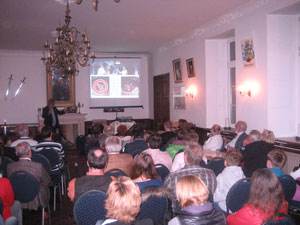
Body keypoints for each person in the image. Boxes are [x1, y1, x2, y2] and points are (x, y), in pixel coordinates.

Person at [164, 143, 216, 211]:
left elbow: (167, 196)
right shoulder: (211, 174)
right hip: (206, 212)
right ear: (201, 158)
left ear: (185, 158)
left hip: (180, 214)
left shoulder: (172, 177)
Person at [7, 142, 51, 210]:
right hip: (35, 199)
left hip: (16, 197)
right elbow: (47, 181)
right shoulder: (38, 166)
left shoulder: (9, 167)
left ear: (16, 153)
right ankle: (45, 212)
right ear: (30, 152)